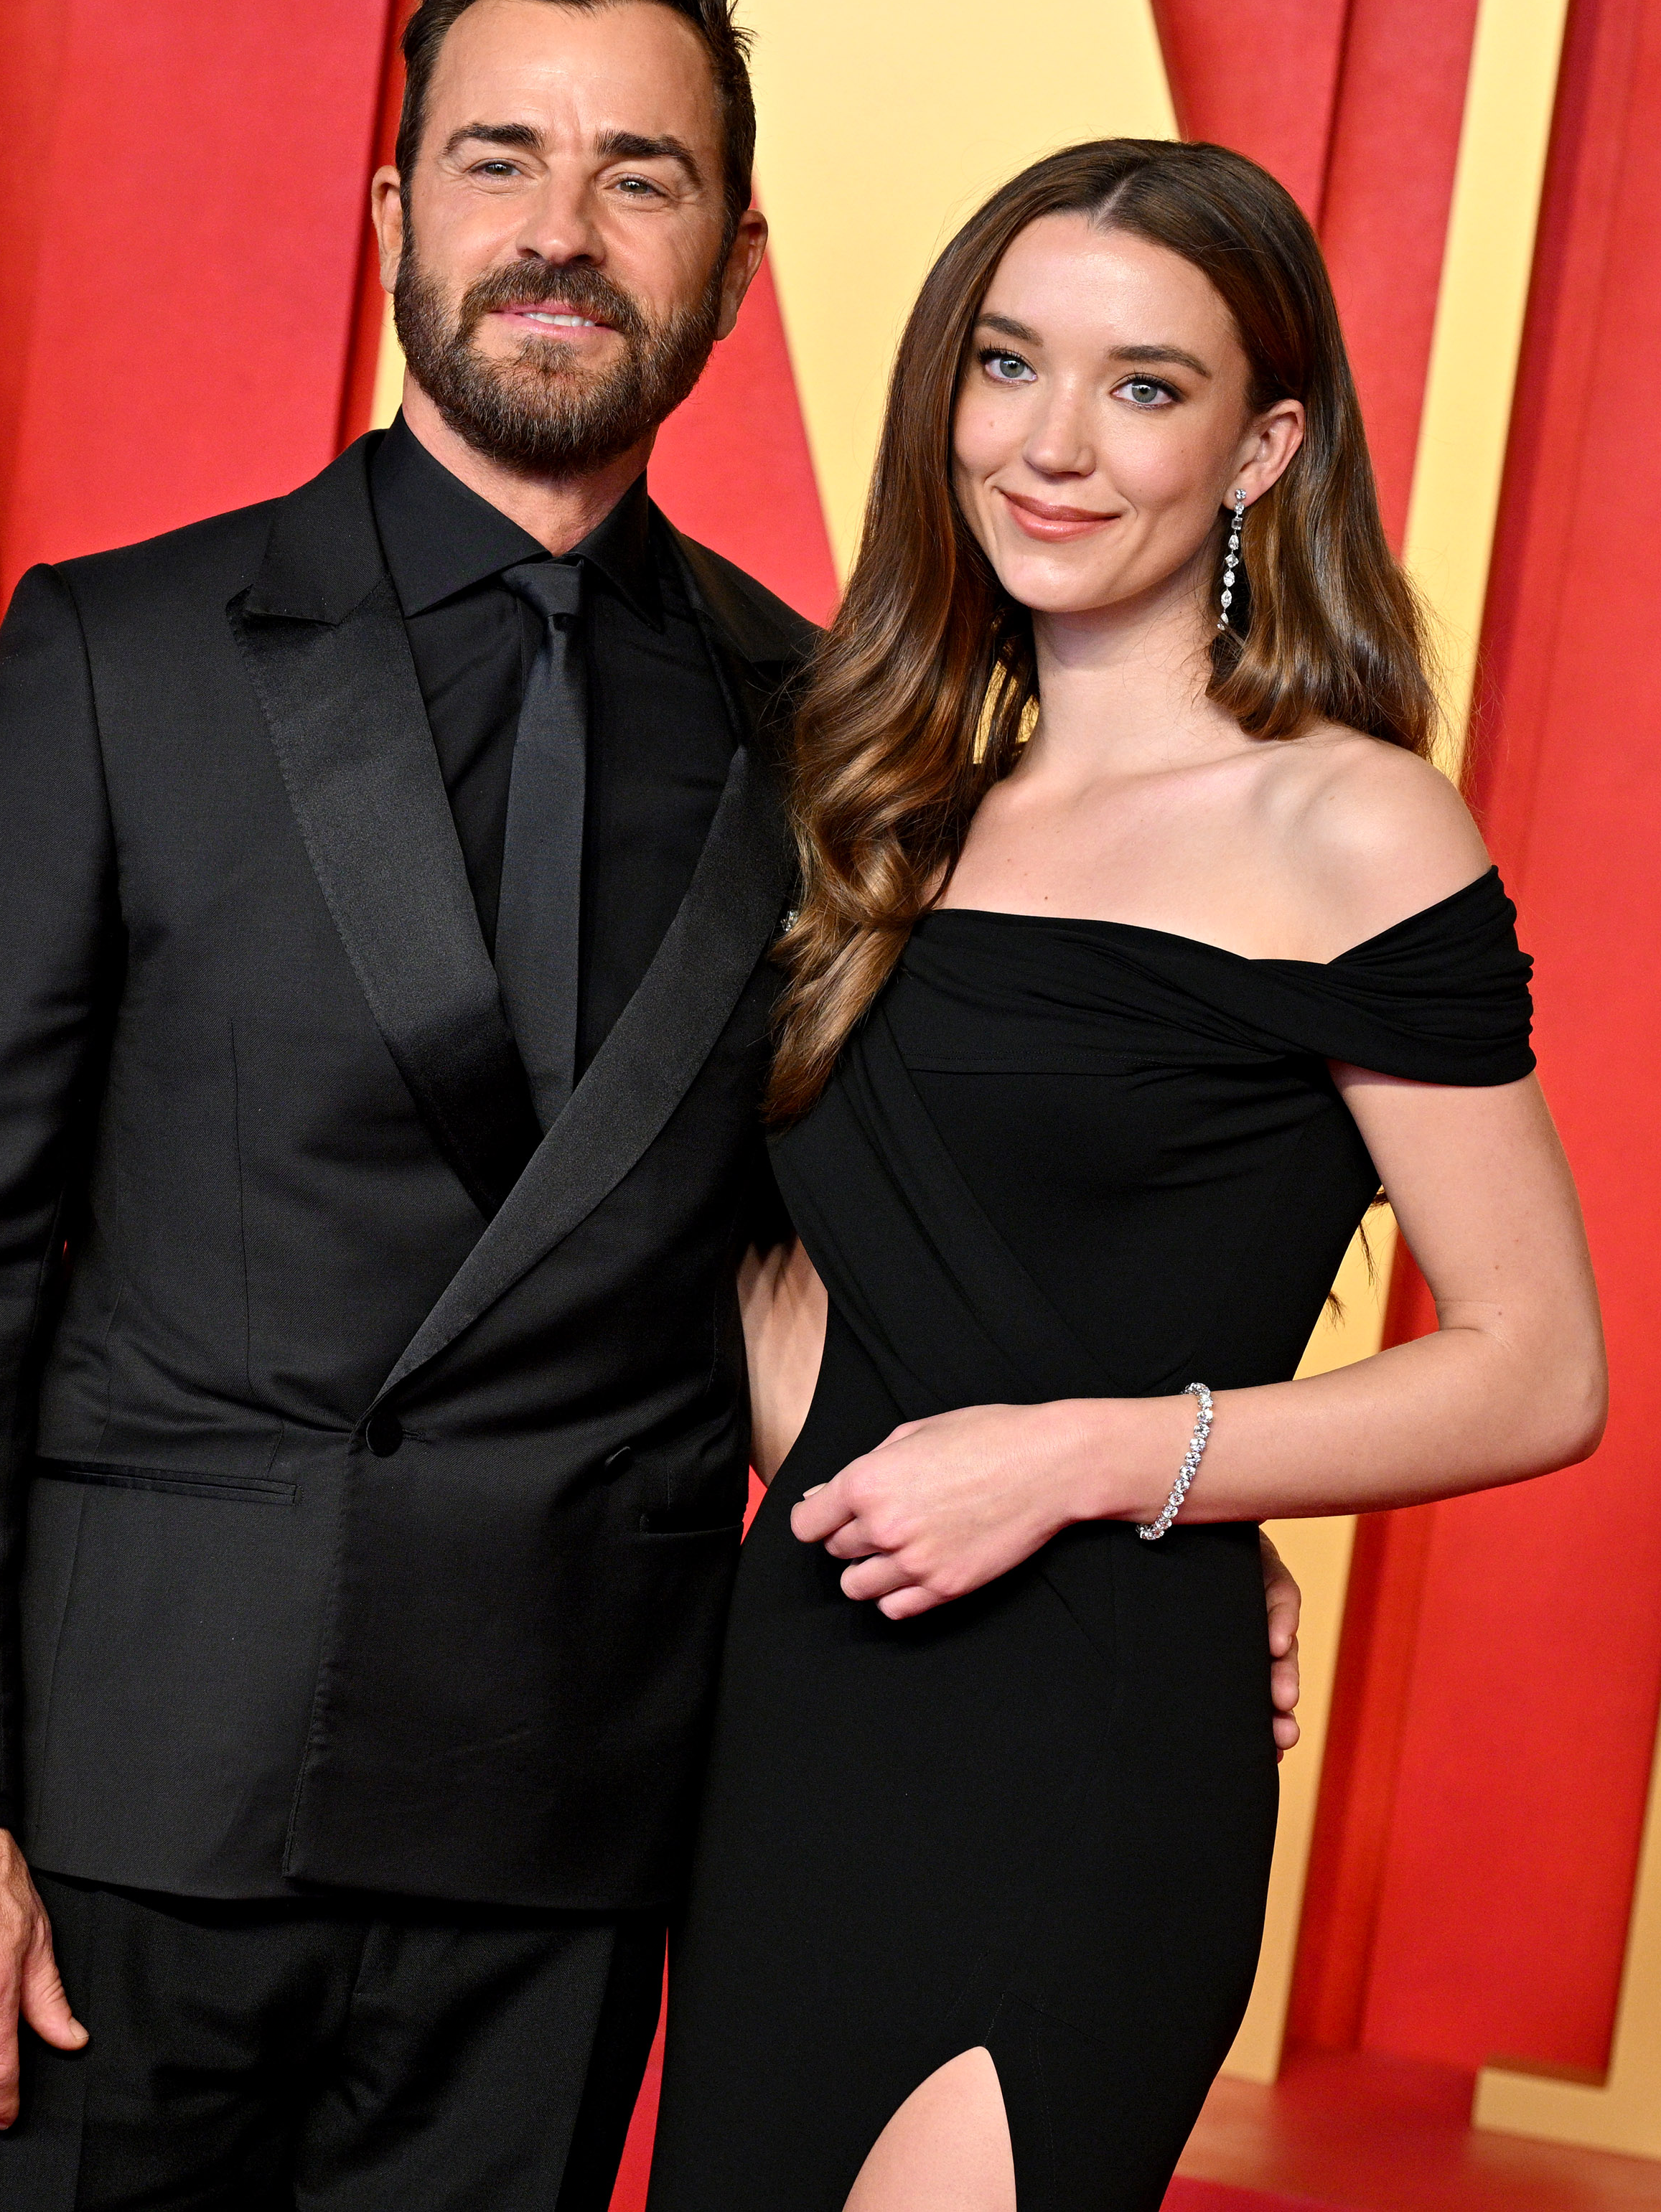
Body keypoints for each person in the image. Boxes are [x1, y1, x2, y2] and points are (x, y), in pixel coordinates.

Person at [0, 0, 1302, 2210]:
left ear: (732, 259)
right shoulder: (121, 660)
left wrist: (1150, 1536)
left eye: (643, 177)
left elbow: (870, 1248)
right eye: (500, 160)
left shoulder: (837, 736)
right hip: (133, 1819)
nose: (561, 234)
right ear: (398, 211)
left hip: (566, 1830)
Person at [647, 138, 1609, 2212]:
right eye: (1009, 365)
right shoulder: (876, 796)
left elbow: (1541, 1368)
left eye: (1146, 387)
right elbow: (767, 1276)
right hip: (802, 1715)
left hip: (1088, 1758)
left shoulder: (1350, 831)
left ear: (1265, 448)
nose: (1055, 443)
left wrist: (1111, 1469)